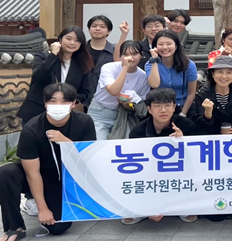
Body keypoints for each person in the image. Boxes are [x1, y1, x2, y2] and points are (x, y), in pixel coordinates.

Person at [0, 83, 96, 239]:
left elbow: (88, 160)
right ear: (45, 104)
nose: (58, 106)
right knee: (6, 173)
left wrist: (66, 143)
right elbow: (32, 173)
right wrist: (42, 208)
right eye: (53, 101)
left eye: (64, 101)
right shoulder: (32, 129)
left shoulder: (84, 122)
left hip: (65, 177)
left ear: (73, 104)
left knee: (57, 227)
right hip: (38, 173)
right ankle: (15, 226)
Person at [126, 88, 198, 225]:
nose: (163, 110)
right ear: (149, 109)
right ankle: (145, 208)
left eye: (167, 105)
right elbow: (136, 164)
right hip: (151, 174)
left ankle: (181, 205)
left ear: (174, 107)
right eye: (158, 106)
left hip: (180, 173)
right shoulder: (138, 131)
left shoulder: (187, 125)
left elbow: (198, 157)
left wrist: (184, 141)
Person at [17, 26, 93, 125]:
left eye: (77, 40)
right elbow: (38, 77)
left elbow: (85, 91)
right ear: (60, 39)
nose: (72, 43)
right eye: (68, 39)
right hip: (37, 110)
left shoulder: (82, 63)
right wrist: (52, 55)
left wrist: (66, 99)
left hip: (65, 113)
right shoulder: (43, 56)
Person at [87, 41, 150, 140]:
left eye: (134, 54)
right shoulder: (108, 68)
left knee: (123, 146)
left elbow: (140, 105)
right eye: (126, 54)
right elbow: (113, 91)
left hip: (124, 116)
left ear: (141, 55)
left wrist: (128, 105)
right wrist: (125, 68)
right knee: (100, 145)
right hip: (100, 113)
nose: (130, 58)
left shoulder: (143, 76)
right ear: (120, 55)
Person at [191, 56, 232, 135]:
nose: (224, 76)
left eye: (229, 72)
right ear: (213, 73)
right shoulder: (202, 93)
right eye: (220, 72)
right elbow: (198, 123)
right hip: (211, 137)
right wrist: (208, 114)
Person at [146, 30, 197, 117]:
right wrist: (154, 60)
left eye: (169, 44)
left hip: (183, 107)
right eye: (160, 44)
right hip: (160, 109)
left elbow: (191, 93)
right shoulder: (150, 64)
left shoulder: (189, 65)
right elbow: (154, 84)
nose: (165, 47)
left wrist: (183, 113)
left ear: (176, 46)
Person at [86, 15, 116, 97]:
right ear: (89, 29)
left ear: (109, 31)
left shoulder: (115, 51)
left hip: (105, 96)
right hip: (82, 96)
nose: (97, 29)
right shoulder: (80, 49)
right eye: (94, 26)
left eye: (102, 27)